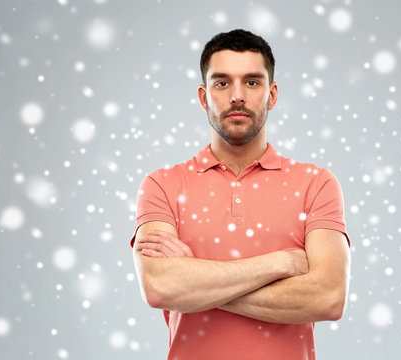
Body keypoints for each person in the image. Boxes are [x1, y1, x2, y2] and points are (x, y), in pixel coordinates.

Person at [130, 29, 351, 360]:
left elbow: (329, 298)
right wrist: (283, 262)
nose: (237, 96)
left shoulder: (316, 184)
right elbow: (161, 288)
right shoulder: (163, 184)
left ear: (272, 95)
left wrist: (198, 280)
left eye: (252, 82)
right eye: (222, 83)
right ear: (203, 97)